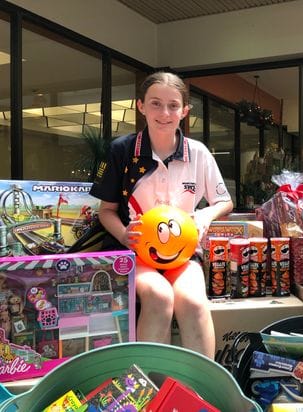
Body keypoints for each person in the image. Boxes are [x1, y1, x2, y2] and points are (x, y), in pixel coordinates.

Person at [90, 71, 233, 358]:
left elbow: (224, 201)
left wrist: (205, 215)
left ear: (185, 112)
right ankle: (153, 390)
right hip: (137, 252)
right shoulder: (123, 150)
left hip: (184, 253)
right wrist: (124, 235)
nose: (164, 113)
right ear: (140, 106)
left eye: (173, 105)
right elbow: (105, 211)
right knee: (158, 296)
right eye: (155, 104)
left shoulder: (199, 153)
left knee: (193, 302)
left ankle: (201, 389)